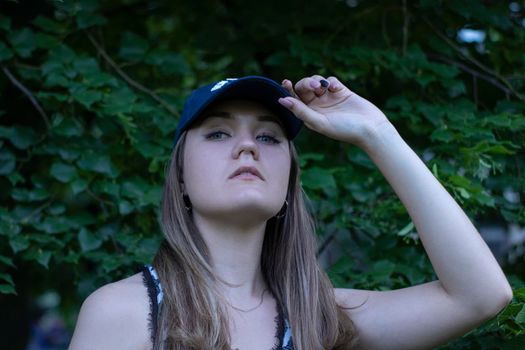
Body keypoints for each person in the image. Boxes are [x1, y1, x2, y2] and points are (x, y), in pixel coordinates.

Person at [68, 75, 512, 350]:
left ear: (288, 184)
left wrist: (377, 133)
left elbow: (481, 296)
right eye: (219, 133)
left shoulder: (322, 318)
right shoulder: (125, 311)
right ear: (180, 176)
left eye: (268, 138)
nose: (247, 146)